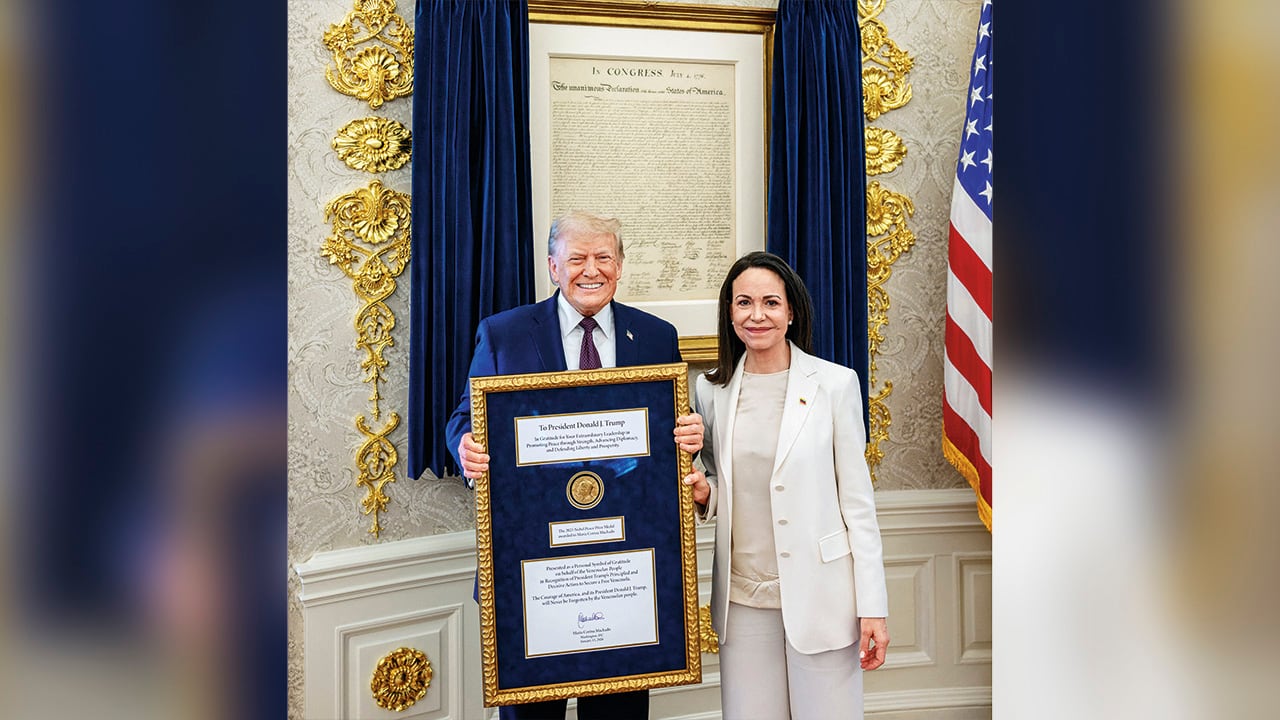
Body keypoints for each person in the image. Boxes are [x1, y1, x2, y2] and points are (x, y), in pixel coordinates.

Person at [446, 210, 705, 720]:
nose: (592, 270)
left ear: (620, 265)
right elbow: (464, 418)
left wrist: (690, 437)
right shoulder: (504, 333)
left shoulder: (655, 335)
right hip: (531, 557)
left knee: (619, 709)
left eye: (604, 257)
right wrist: (466, 445)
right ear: (552, 266)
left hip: (626, 557)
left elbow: (666, 436)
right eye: (578, 258)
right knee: (531, 712)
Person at [685, 251, 889, 719]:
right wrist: (704, 494)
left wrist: (873, 607)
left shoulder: (835, 385)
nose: (757, 315)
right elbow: (719, 479)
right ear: (729, 312)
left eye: (771, 303)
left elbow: (858, 505)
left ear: (791, 311)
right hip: (742, 599)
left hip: (823, 597)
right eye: (744, 303)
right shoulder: (711, 391)